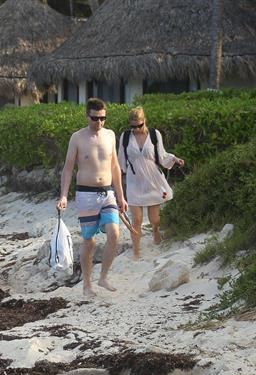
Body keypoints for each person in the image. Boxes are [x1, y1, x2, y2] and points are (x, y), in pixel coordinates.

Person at [57, 98, 128, 298]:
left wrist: (121, 196)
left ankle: (103, 276)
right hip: (86, 194)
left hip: (107, 193)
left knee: (114, 233)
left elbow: (115, 167)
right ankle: (87, 284)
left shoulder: (111, 135)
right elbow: (68, 168)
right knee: (90, 243)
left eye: (103, 118)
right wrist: (63, 196)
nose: (100, 123)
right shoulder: (77, 138)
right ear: (87, 116)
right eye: (95, 119)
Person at [118, 106, 184, 259]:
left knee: (154, 219)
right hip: (134, 181)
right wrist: (116, 175)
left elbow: (161, 155)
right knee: (137, 219)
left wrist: (174, 159)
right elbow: (121, 158)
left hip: (153, 179)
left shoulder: (154, 134)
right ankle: (136, 251)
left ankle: (155, 231)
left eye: (139, 125)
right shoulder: (126, 136)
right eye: (132, 126)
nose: (136, 129)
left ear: (144, 121)